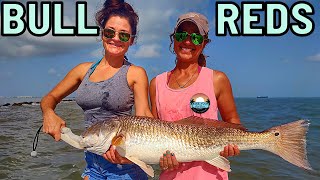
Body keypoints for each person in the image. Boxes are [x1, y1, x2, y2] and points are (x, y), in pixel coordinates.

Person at [40, 0, 153, 179]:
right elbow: (50, 97)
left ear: (131, 41)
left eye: (123, 35)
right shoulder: (82, 70)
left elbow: (145, 118)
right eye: (110, 32)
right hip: (92, 165)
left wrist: (143, 154)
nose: (115, 38)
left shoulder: (135, 73)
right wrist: (48, 112)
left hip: (124, 167)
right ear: (102, 34)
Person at [149, 12, 241, 179]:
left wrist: (232, 146)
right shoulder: (156, 83)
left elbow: (234, 122)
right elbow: (153, 134)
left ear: (204, 43)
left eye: (196, 38)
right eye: (182, 35)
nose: (187, 41)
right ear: (174, 39)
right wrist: (160, 158)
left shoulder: (217, 79)